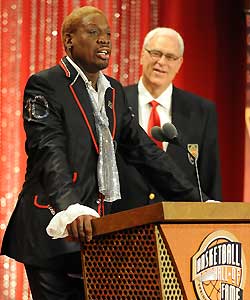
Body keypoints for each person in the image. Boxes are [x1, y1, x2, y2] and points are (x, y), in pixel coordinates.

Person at [1, 7, 208, 300]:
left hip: (98, 236)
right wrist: (70, 207)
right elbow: (49, 151)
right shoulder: (46, 85)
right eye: (93, 32)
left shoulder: (112, 91)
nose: (105, 41)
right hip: (53, 230)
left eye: (108, 34)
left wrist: (198, 203)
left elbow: (144, 151)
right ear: (69, 40)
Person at [112, 27, 222, 213]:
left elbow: (209, 176)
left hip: (179, 223)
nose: (161, 62)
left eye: (170, 57)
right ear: (142, 56)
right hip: (122, 221)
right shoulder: (115, 101)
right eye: (156, 53)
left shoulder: (201, 111)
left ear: (180, 64)